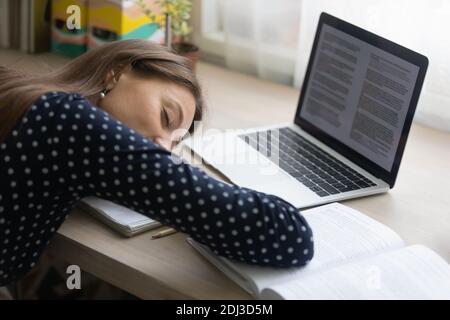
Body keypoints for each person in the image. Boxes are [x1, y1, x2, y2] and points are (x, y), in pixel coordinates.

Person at [0, 40, 314, 287]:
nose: (160, 146)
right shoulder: (74, 125)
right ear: (117, 71)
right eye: (166, 117)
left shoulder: (26, 97)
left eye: (172, 143)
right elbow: (287, 234)